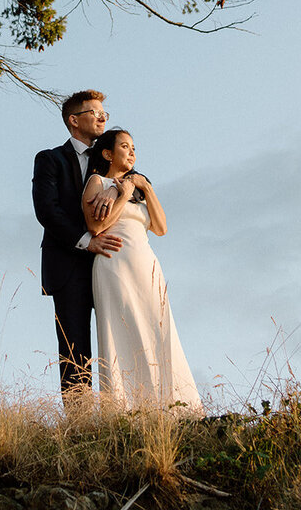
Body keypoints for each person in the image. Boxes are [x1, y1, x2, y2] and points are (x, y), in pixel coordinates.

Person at [82, 127, 202, 412]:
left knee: (158, 328)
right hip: (114, 263)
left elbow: (160, 228)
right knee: (122, 329)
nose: (132, 151)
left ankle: (171, 406)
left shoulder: (140, 188)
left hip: (146, 262)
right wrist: (121, 195)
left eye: (134, 146)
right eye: (125, 146)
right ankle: (126, 409)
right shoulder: (97, 183)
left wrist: (144, 188)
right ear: (108, 153)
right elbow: (96, 226)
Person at [32, 90, 123, 399]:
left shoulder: (110, 154)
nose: (102, 117)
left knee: (120, 335)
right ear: (74, 120)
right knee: (74, 346)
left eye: (104, 114)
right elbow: (47, 210)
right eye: (94, 112)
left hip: (112, 262)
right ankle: (81, 423)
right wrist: (87, 241)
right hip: (68, 264)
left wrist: (115, 191)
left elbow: (135, 177)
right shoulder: (49, 159)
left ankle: (128, 409)